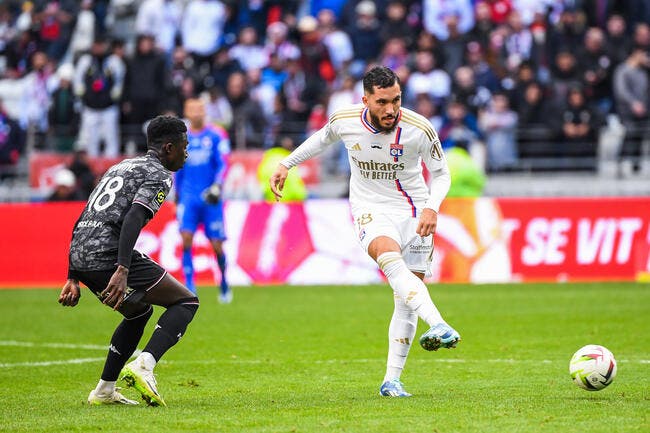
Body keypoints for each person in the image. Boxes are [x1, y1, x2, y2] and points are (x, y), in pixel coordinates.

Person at [269, 66, 460, 398]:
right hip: (370, 208)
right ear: (366, 100)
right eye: (382, 102)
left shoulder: (419, 128)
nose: (390, 110)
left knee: (405, 298)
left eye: (396, 100)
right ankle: (439, 323)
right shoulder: (346, 120)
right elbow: (322, 138)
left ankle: (392, 381)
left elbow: (442, 174)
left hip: (415, 211)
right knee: (390, 263)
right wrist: (287, 163)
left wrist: (432, 206)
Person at [58, 115, 197, 407]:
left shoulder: (119, 166)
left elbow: (86, 214)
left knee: (138, 312)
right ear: (168, 148)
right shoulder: (159, 173)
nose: (187, 153)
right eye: (184, 146)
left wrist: (73, 273)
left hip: (82, 254)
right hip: (108, 255)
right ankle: (144, 365)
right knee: (186, 302)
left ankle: (104, 391)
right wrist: (122, 268)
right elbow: (134, 216)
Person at [175, 98, 231, 302]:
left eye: (200, 109)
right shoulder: (181, 137)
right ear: (186, 112)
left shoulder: (216, 136)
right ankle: (190, 286)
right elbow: (176, 169)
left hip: (211, 199)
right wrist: (176, 196)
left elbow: (223, 164)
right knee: (186, 239)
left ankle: (224, 281)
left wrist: (217, 185)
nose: (197, 112)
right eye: (192, 109)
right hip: (188, 199)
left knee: (217, 245)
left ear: (204, 111)